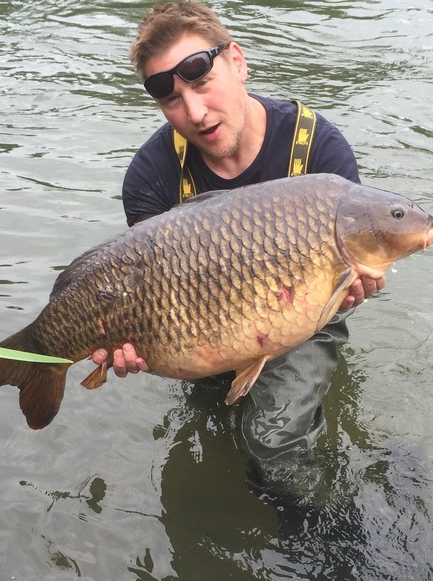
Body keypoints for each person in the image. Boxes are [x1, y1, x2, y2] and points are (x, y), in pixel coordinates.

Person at [93, 1, 383, 488]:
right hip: (196, 318)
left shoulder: (318, 149)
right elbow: (147, 295)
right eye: (171, 98)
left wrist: (355, 286)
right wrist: (129, 341)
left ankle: (318, 518)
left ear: (238, 62)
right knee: (210, 431)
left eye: (201, 80)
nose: (195, 111)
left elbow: (354, 264)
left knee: (271, 443)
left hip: (302, 317)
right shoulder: (149, 176)